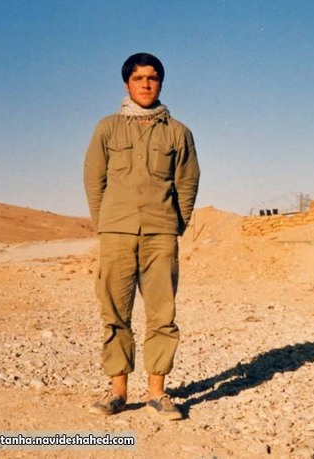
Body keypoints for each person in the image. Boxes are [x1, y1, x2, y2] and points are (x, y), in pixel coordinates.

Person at [83, 52, 200, 420]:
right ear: (126, 84)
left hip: (160, 233)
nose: (146, 84)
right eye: (138, 78)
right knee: (115, 312)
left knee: (162, 314)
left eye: (152, 77)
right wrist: (105, 222)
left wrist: (175, 224)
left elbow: (187, 182)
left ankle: (157, 393)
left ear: (160, 83)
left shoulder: (178, 132)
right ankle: (117, 392)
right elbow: (94, 179)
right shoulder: (107, 128)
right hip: (116, 232)